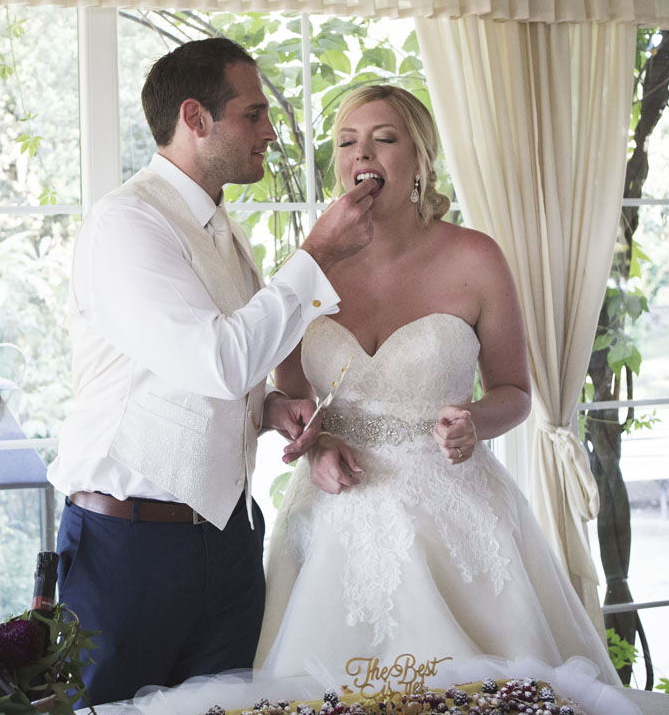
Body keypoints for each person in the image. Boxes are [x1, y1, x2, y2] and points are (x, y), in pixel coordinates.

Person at [48, 37, 380, 705]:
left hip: (228, 544)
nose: (270, 130)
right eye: (253, 114)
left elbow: (206, 374)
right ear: (195, 119)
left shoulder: (223, 230)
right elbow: (218, 361)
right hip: (128, 546)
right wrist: (317, 253)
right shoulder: (128, 224)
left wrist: (266, 411)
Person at [254, 85, 620, 686]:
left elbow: (515, 392)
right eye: (347, 142)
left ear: (421, 159)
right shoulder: (311, 268)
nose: (361, 153)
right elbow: (288, 396)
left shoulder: (476, 258)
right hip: (330, 523)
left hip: (454, 513)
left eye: (384, 139)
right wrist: (315, 447)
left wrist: (476, 421)